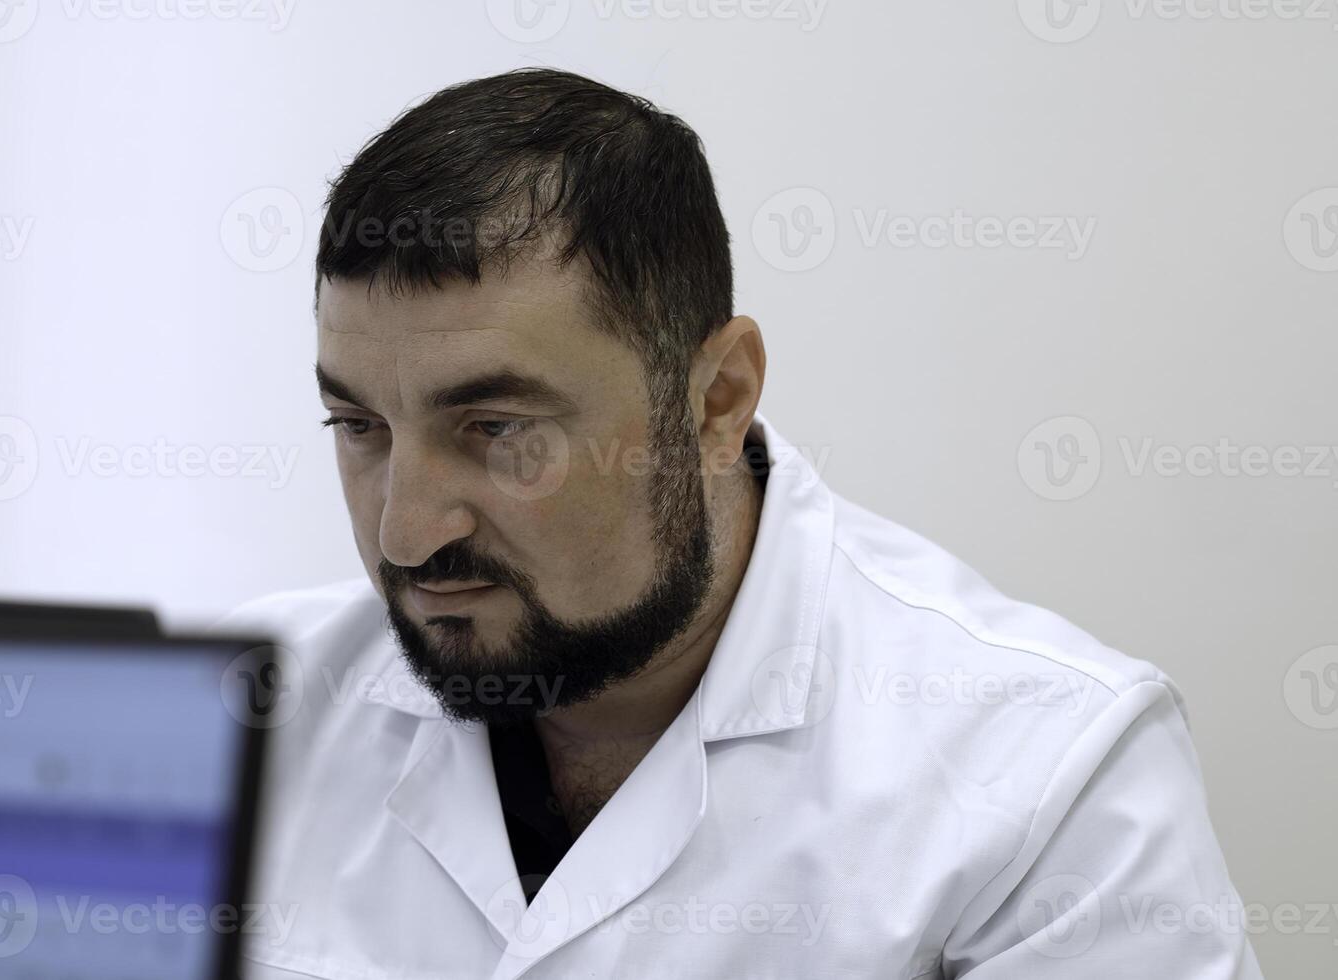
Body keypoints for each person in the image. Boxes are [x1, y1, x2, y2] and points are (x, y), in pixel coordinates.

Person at [218, 67, 1261, 979]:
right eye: (357, 425)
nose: (403, 533)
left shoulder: (1043, 771)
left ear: (716, 400)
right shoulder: (240, 716)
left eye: (496, 427)